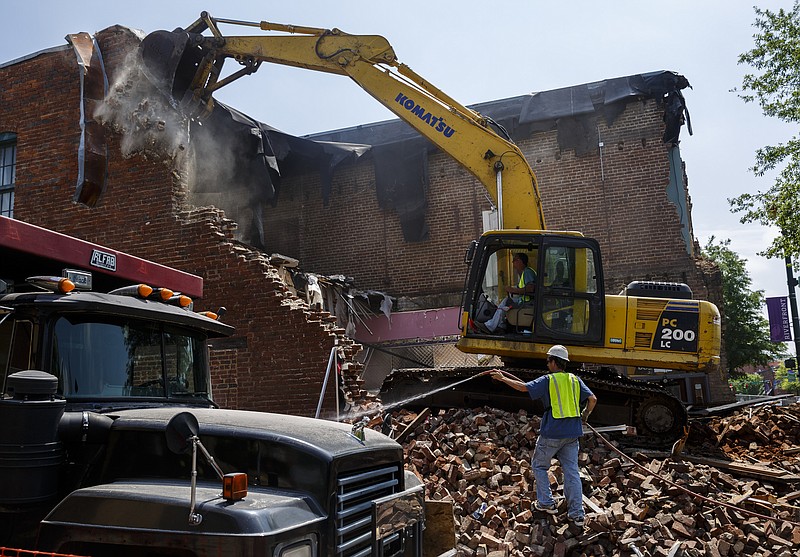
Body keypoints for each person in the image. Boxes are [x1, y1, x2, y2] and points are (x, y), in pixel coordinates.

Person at [490, 345, 597, 528]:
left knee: (539, 465)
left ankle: (547, 503)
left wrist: (502, 378)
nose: (547, 363)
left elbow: (523, 388)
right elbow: (593, 399)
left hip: (552, 433)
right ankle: (577, 514)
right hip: (572, 434)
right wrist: (585, 414)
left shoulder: (549, 380)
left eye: (548, 360)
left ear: (554, 362)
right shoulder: (575, 379)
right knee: (571, 471)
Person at [478, 253, 536, 333]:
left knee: (505, 301)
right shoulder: (525, 272)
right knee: (507, 301)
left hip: (527, 303)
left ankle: (490, 326)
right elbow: (524, 287)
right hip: (525, 301)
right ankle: (501, 325)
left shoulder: (527, 272)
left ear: (519, 261)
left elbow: (530, 288)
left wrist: (513, 290)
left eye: (514, 260)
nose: (512, 263)